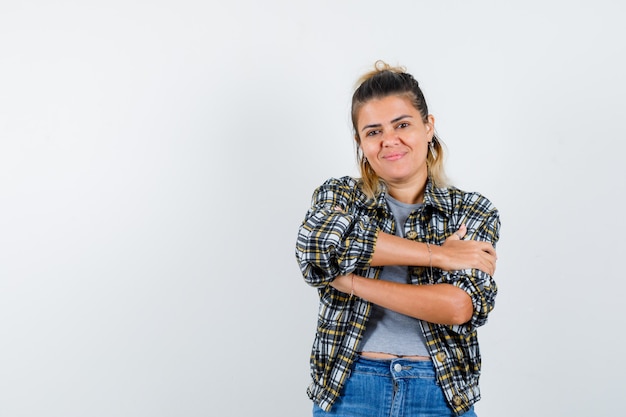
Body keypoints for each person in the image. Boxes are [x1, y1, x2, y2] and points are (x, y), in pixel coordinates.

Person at [295, 61, 501, 417]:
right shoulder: (340, 195)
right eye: (373, 132)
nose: (389, 140)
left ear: (428, 127)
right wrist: (439, 255)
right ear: (361, 142)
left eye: (402, 124)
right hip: (350, 388)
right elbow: (319, 246)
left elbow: (458, 306)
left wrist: (352, 281)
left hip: (439, 391)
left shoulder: (471, 209)